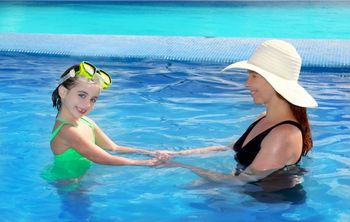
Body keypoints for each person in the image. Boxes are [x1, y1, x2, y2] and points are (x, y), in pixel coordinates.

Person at [159, 39, 318, 186]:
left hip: (268, 206)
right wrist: (178, 154)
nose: (246, 84)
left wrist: (179, 166)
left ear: (274, 83)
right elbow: (232, 148)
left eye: (254, 76)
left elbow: (240, 182)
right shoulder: (264, 118)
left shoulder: (284, 134)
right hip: (250, 195)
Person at [43, 61, 165, 181]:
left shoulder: (87, 122)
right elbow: (106, 159)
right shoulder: (67, 131)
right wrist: (146, 163)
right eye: (82, 95)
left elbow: (114, 148)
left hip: (82, 178)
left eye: (93, 99)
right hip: (68, 184)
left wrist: (149, 153)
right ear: (63, 92)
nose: (87, 104)